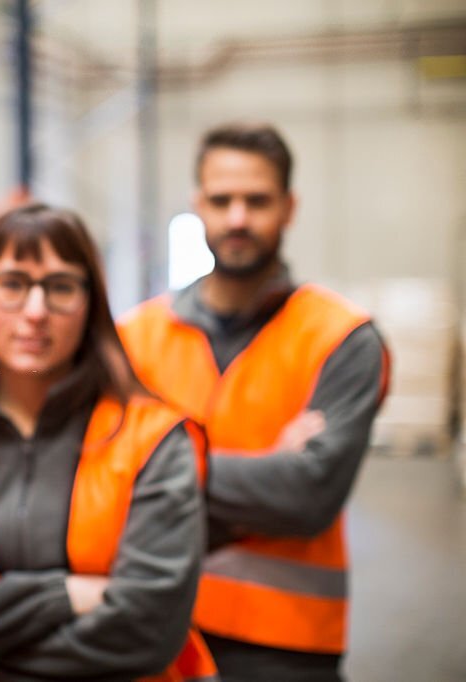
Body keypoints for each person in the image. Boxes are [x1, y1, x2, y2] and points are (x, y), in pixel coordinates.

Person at [118, 122, 390, 681]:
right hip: (150, 624)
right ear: (198, 206)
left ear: (289, 208)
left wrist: (152, 474)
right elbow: (94, 475)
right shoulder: (134, 337)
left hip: (285, 642)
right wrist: (269, 470)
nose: (237, 218)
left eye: (257, 200)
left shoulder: (342, 338)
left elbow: (307, 497)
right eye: (221, 200)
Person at [0, 203, 217, 682]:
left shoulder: (153, 439)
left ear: (91, 303)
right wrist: (68, 595)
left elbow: (147, 629)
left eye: (60, 287)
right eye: (13, 284)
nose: (36, 312)